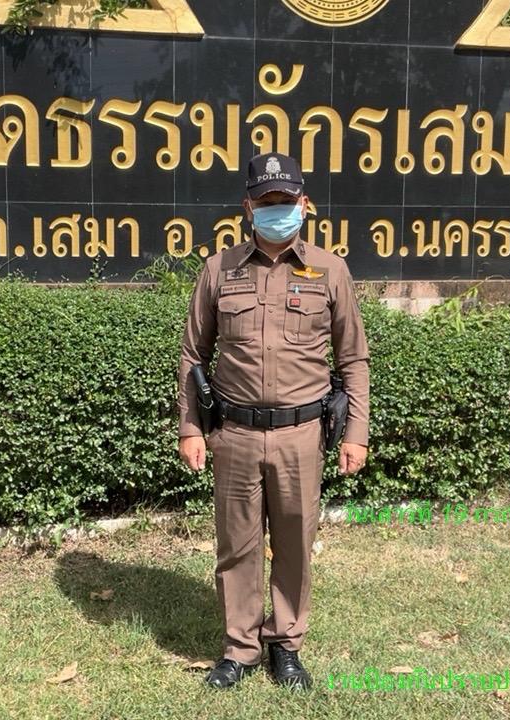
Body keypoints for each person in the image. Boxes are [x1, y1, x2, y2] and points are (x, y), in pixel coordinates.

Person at [175, 152, 371, 690]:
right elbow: (193, 355)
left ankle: (285, 645)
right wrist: (190, 427)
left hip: (301, 436)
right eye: (267, 201)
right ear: (248, 207)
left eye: (286, 200)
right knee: (236, 546)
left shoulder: (330, 270)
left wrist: (356, 432)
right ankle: (240, 648)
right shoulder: (219, 269)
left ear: (304, 204)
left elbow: (353, 359)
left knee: (295, 546)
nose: (277, 209)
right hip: (234, 434)